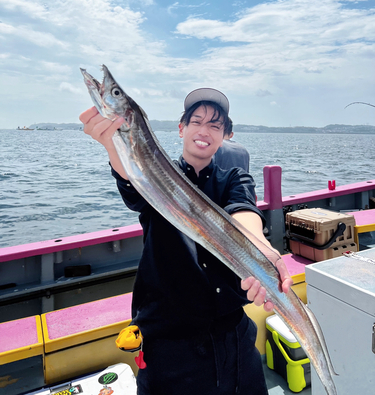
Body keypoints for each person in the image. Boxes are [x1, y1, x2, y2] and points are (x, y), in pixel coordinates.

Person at [79, 87, 292, 395]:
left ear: (226, 135)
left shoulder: (233, 178)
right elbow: (131, 177)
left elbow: (244, 211)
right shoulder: (156, 174)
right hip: (169, 341)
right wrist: (114, 143)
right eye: (196, 121)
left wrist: (258, 245)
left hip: (233, 336)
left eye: (215, 126)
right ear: (181, 129)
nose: (204, 131)